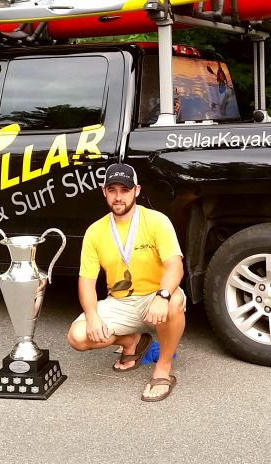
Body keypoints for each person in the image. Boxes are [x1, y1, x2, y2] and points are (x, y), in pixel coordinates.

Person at [66, 163, 186, 402]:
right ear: (104, 192)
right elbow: (87, 281)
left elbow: (175, 265)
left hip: (155, 297)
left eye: (125, 189)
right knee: (77, 337)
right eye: (112, 190)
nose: (118, 196)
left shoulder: (156, 221)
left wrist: (162, 295)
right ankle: (133, 340)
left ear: (137, 191)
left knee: (174, 300)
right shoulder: (95, 231)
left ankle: (163, 369)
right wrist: (92, 315)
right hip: (120, 302)